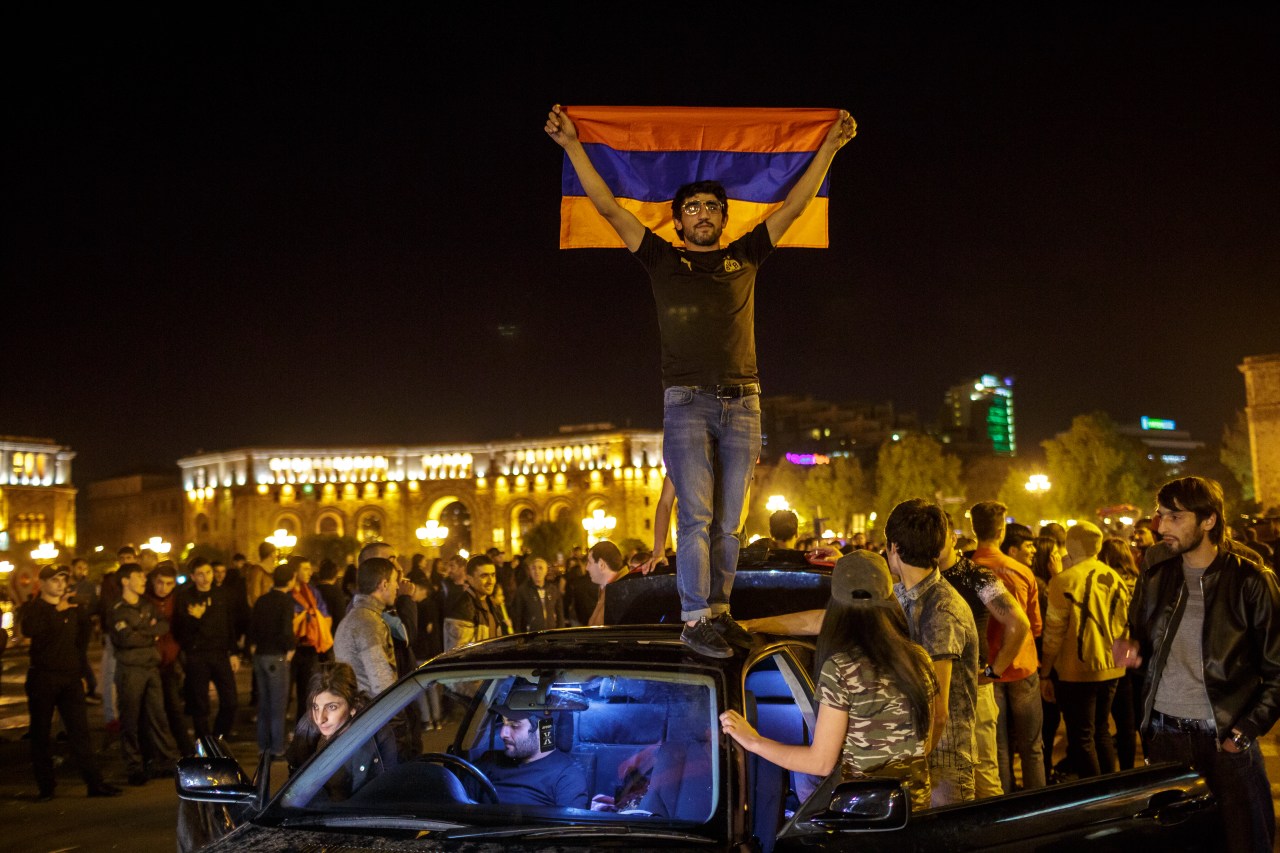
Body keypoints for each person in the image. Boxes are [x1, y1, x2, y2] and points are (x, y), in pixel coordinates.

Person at [546, 103, 857, 659]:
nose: (704, 213)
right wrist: (573, 145)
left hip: (745, 402)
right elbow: (608, 208)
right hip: (686, 403)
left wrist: (830, 147)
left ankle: (719, 611)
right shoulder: (662, 260)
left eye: (712, 206)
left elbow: (796, 204)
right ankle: (694, 618)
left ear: (723, 218)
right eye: (693, 208)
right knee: (696, 515)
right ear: (679, 221)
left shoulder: (748, 254)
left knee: (731, 523)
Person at [1115, 476, 1280, 853]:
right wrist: (1132, 648)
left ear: (1208, 521)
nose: (1160, 527)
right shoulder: (1156, 576)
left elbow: (1277, 668)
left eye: (1175, 517)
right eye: (1160, 516)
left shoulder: (1251, 581)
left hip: (1224, 741)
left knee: (1245, 842)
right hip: (1164, 737)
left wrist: (1244, 731)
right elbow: (1140, 635)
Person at [720, 550, 936, 810]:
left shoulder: (841, 668)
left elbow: (820, 762)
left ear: (836, 602)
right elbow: (927, 740)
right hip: (914, 811)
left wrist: (753, 740)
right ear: (888, 597)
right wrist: (751, 625)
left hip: (864, 816)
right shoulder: (919, 658)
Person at [938, 517, 1032, 797]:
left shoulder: (976, 575)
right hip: (935, 691)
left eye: (937, 534)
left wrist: (993, 672)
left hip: (973, 691)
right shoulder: (915, 575)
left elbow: (1020, 623)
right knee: (942, 781)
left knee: (985, 777)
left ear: (953, 538)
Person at [21, 564, 122, 801]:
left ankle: (94, 783)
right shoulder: (35, 608)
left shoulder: (74, 609)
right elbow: (30, 630)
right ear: (43, 583)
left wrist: (78, 667)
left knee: (80, 732)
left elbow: (82, 639)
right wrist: (58, 612)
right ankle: (46, 787)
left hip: (69, 677)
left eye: (63, 579)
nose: (60, 584)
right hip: (43, 677)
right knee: (41, 733)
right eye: (54, 579)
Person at [1038, 521, 1129, 780]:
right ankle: (1110, 788)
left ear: (1072, 545)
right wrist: (1123, 666)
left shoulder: (1064, 581)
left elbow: (1053, 634)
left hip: (1076, 670)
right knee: (1101, 730)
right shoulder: (1115, 578)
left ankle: (1095, 794)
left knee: (1081, 736)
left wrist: (1046, 672)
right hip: (1112, 667)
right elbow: (1124, 624)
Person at [971, 502, 1045, 793]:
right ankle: (1038, 805)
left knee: (996, 749)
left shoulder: (967, 570)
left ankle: (1003, 805)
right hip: (1023, 665)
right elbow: (1034, 624)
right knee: (1032, 747)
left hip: (985, 672)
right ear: (1001, 531)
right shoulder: (1021, 572)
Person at [110, 562, 179, 786]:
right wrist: (149, 633)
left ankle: (166, 761)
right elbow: (126, 639)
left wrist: (142, 631)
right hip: (131, 671)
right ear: (125, 581)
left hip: (151, 667)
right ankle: (134, 767)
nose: (143, 581)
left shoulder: (146, 606)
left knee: (158, 716)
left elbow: (162, 626)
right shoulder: (119, 610)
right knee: (130, 719)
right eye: (139, 577)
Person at [284, 663, 397, 801]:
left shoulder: (378, 734)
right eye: (315, 707)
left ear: (353, 706)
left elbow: (385, 794)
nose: (320, 719)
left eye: (331, 707)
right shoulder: (307, 728)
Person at [172, 556, 241, 740]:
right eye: (200, 574)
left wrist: (233, 652)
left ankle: (218, 738)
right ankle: (204, 740)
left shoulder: (222, 594)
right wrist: (195, 619)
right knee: (199, 704)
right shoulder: (185, 597)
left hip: (220, 654)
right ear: (193, 577)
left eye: (208, 572)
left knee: (230, 702)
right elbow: (179, 631)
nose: (206, 577)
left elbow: (229, 625)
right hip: (197, 655)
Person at [473, 705, 589, 808]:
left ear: (544, 729)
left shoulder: (567, 776)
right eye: (504, 723)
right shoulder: (491, 760)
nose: (503, 733)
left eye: (514, 725)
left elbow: (568, 830)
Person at [1097, 536, 1141, 770]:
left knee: (1105, 717)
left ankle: (1109, 773)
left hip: (1110, 649)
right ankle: (1128, 767)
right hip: (1132, 648)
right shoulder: (1138, 580)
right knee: (1128, 718)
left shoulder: (1105, 581)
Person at [247, 560, 297, 760]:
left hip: (260, 655)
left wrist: (252, 647)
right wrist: (291, 648)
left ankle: (263, 746)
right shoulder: (285, 601)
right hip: (277, 655)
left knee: (264, 703)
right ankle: (277, 747)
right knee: (278, 704)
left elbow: (252, 627)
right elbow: (286, 629)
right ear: (291, 580)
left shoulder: (262, 600)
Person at [331, 556, 400, 698]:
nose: (397, 587)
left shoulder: (359, 616)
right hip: (371, 710)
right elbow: (381, 682)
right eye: (395, 581)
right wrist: (395, 715)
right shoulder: (368, 623)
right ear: (384, 584)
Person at [146, 560, 195, 756]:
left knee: (174, 707)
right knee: (152, 710)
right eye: (159, 583)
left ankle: (186, 748)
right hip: (149, 662)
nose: (163, 588)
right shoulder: (146, 601)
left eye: (168, 584)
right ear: (153, 581)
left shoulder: (178, 600)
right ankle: (154, 751)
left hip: (169, 661)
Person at [289, 555, 334, 726]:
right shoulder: (287, 593)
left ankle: (302, 727)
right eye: (305, 569)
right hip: (292, 649)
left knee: (307, 692)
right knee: (285, 694)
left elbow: (324, 614)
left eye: (310, 569)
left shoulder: (313, 592)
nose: (310, 572)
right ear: (295, 572)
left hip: (311, 648)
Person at [443, 555, 499, 649]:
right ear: (470, 579)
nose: (491, 581)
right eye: (484, 576)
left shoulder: (490, 603)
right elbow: (459, 655)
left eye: (493, 575)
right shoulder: (463, 609)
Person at [510, 557, 565, 633]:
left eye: (540, 568)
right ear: (530, 571)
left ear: (546, 571)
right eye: (533, 568)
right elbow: (517, 617)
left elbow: (560, 615)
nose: (537, 571)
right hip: (531, 636)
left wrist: (560, 633)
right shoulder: (522, 591)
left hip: (551, 635)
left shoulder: (553, 590)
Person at [585, 540, 630, 627]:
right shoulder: (608, 588)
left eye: (590, 562)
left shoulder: (622, 593)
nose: (587, 568)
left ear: (601, 564)